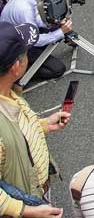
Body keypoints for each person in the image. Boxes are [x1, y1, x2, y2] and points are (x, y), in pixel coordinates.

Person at [0, 22, 71, 218]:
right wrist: (26, 211)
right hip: (23, 203)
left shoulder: (9, 93)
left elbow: (15, 133)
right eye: (25, 54)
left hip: (33, 186)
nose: (28, 57)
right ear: (16, 66)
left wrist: (44, 125)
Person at [0, 0, 69, 79]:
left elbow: (36, 18)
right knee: (58, 69)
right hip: (15, 47)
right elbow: (33, 40)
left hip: (17, 35)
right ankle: (19, 73)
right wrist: (60, 32)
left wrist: (51, 23)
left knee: (55, 27)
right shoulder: (24, 8)